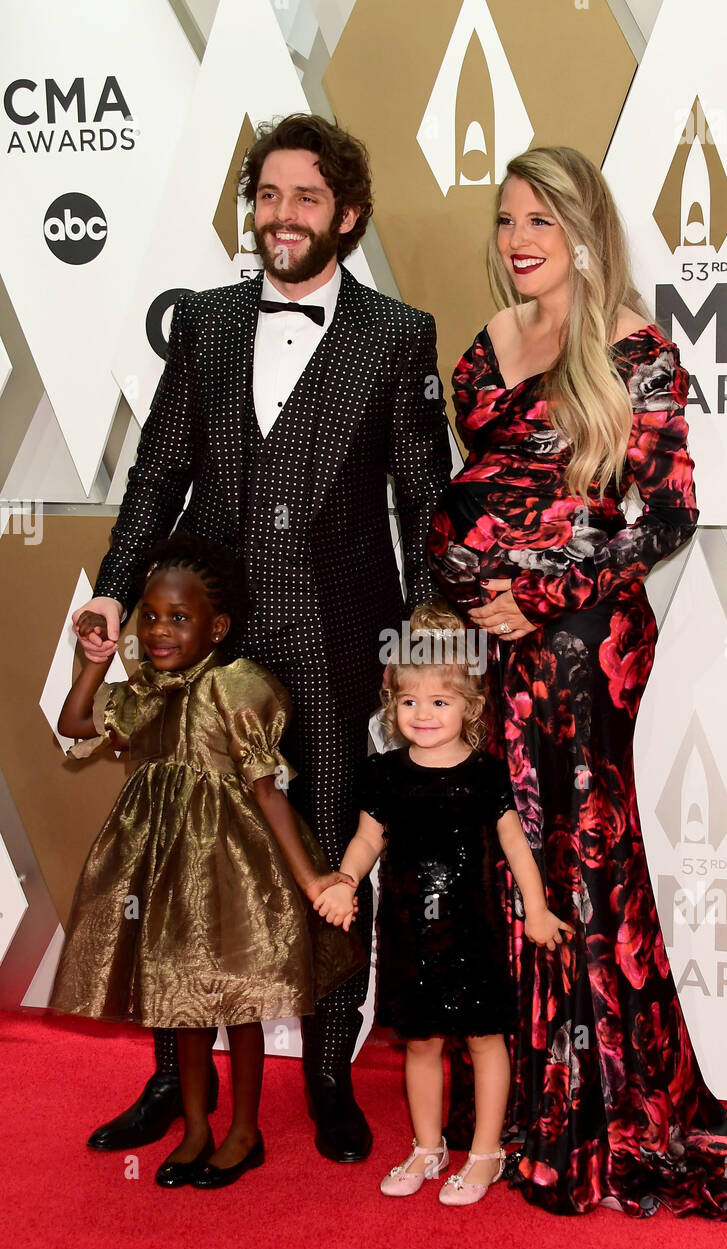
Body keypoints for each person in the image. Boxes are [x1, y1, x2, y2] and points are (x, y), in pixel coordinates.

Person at [427, 146, 727, 1219]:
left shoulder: (632, 346)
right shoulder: (482, 350)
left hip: (581, 645)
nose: (519, 239)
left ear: (582, 230)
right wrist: (483, 591)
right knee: (512, 857)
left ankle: (605, 1109)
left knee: (582, 857)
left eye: (541, 220)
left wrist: (541, 593)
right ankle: (532, 1102)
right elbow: (483, 489)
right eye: (507, 218)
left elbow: (665, 513)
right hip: (494, 651)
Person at [70, 113, 453, 1163]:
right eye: (268, 197)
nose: (282, 217)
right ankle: (170, 1077)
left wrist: (426, 632)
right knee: (184, 854)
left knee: (331, 851)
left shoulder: (395, 335)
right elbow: (156, 473)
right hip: (208, 646)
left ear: (348, 216)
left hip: (334, 630)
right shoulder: (203, 319)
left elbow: (425, 500)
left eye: (306, 200)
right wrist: (113, 590)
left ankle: (328, 1072)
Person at [49, 535, 364, 1188]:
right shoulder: (146, 688)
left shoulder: (236, 686)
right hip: (161, 866)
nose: (160, 631)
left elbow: (265, 787)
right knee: (180, 1002)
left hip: (231, 866)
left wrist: (312, 880)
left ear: (218, 626)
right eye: (151, 617)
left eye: (180, 618)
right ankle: (195, 1127)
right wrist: (93, 660)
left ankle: (244, 1132)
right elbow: (77, 722)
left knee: (238, 1002)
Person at [314, 599, 570, 1205]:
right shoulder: (382, 774)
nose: (423, 714)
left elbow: (515, 845)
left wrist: (535, 908)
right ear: (390, 705)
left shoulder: (484, 774)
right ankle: (427, 1146)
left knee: (484, 1041)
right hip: (407, 936)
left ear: (470, 706)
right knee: (421, 1042)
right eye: (409, 702)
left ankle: (485, 1152)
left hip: (473, 932)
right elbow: (367, 839)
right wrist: (345, 882)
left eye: (439, 702)